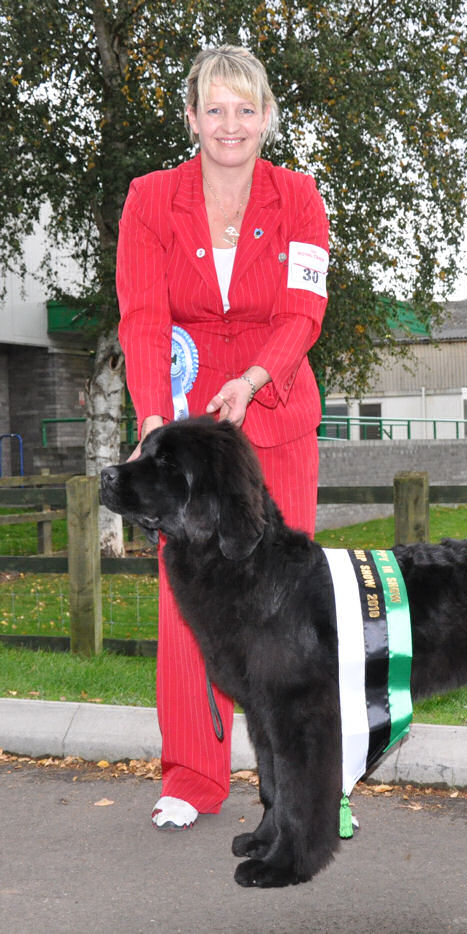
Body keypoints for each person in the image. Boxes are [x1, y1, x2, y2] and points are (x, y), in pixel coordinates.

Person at [116, 45, 329, 830]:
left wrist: (254, 380)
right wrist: (152, 420)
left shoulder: (300, 197)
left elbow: (304, 311)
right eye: (215, 108)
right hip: (185, 431)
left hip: (274, 417)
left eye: (246, 108)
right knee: (191, 603)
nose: (230, 124)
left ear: (267, 116)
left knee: (293, 607)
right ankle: (190, 777)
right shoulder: (149, 199)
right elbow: (142, 315)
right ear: (191, 118)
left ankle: (311, 784)